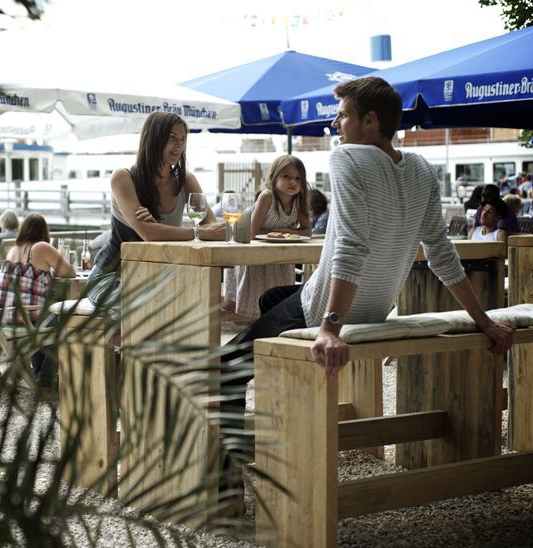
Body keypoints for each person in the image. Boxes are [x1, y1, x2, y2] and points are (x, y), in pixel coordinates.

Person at [220, 76, 513, 465]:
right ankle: (285, 391)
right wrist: (485, 322)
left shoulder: (347, 158)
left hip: (327, 309)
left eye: (342, 116)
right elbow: (441, 253)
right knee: (272, 299)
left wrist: (328, 329)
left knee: (224, 369)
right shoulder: (422, 169)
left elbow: (351, 247)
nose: (336, 125)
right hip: (375, 307)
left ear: (370, 120)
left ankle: (224, 488)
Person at [87, 111, 226, 304]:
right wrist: (197, 232)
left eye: (183, 139)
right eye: (172, 138)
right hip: (110, 277)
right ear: (153, 139)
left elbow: (213, 226)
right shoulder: (123, 178)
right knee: (153, 303)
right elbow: (148, 234)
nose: (179, 145)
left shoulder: (186, 180)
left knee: (199, 298)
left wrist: (163, 230)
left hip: (156, 277)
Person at [222, 156, 311, 319]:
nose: (293, 182)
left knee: (275, 304)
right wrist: (285, 231)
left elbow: (307, 232)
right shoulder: (267, 197)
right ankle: (250, 334)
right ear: (273, 177)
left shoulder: (297, 201)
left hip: (279, 259)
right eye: (287, 176)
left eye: (298, 178)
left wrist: (284, 231)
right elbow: (251, 233)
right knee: (250, 305)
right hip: (255, 257)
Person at [0, 213, 75, 387]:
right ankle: (46, 377)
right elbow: (70, 272)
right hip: (25, 317)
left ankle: (38, 373)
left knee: (43, 317)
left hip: (4, 317)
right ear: (44, 231)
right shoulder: (41, 247)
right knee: (62, 319)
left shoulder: (13, 249)